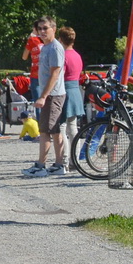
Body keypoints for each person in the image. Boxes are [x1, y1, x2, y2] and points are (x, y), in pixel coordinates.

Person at [29, 19, 65, 175]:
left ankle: (40, 166)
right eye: (39, 29)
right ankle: (59, 164)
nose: (42, 31)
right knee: (55, 131)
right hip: (51, 94)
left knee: (45, 131)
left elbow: (55, 74)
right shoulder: (45, 47)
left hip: (53, 95)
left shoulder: (55, 48)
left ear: (54, 29)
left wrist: (43, 96)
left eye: (45, 28)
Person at [55, 25, 83, 174]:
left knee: (61, 128)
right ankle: (75, 159)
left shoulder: (62, 55)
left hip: (64, 90)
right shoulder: (77, 55)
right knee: (73, 128)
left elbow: (58, 74)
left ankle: (64, 159)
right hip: (75, 90)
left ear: (60, 39)